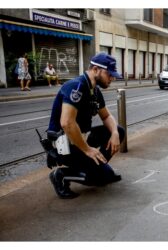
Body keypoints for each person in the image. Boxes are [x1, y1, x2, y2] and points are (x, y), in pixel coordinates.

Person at [46, 52, 125, 199]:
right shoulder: (76, 86)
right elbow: (67, 123)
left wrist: (114, 133)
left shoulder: (94, 90)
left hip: (82, 139)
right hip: (65, 144)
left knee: (119, 131)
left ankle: (97, 167)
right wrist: (88, 150)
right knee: (97, 178)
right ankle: (61, 175)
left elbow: (106, 116)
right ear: (96, 69)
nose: (112, 78)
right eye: (109, 74)